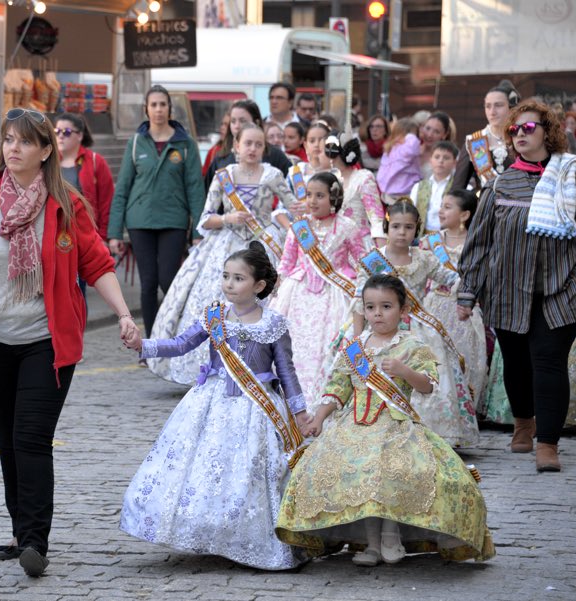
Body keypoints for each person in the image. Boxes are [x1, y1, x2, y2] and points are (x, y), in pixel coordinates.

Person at [0, 107, 139, 577]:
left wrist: (124, 315)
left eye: (24, 142)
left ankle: (34, 542)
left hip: (46, 342)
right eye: (7, 140)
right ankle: (18, 528)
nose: (12, 149)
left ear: (46, 150)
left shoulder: (67, 206)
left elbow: (97, 263)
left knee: (31, 437)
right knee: (8, 439)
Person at [276, 275, 495, 566]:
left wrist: (405, 371)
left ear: (403, 311)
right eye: (370, 307)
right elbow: (338, 387)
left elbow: (428, 386)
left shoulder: (413, 346)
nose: (377, 313)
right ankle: (371, 544)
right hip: (353, 425)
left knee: (390, 471)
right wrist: (319, 418)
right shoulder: (354, 348)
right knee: (358, 475)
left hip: (394, 425)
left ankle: (391, 537)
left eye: (386, 306)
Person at [121, 241, 310, 571]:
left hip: (257, 409)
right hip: (209, 404)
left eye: (238, 278)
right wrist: (144, 345)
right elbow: (181, 345)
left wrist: (300, 412)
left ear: (260, 285)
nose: (229, 284)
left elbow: (287, 372)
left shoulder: (273, 324)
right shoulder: (214, 316)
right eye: (226, 276)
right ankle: (206, 531)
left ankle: (245, 535)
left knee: (250, 471)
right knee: (201, 470)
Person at [457, 100, 576, 472]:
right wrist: (468, 291)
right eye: (515, 130)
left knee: (548, 360)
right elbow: (479, 242)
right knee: (515, 362)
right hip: (508, 289)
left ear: (548, 131)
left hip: (563, 287)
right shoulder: (500, 184)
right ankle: (523, 423)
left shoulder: (573, 175)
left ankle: (548, 443)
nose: (520, 135)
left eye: (528, 129)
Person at [147, 124, 296, 384]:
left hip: (260, 243)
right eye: (247, 143)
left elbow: (292, 207)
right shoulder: (223, 175)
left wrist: (282, 217)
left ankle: (258, 363)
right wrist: (228, 217)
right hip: (224, 244)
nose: (252, 149)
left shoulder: (272, 175)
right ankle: (215, 366)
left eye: (258, 144)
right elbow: (204, 219)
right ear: (236, 145)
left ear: (265, 148)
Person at [351, 202, 479, 447]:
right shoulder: (371, 260)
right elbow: (359, 300)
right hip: (378, 328)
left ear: (416, 230)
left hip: (419, 330)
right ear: (387, 228)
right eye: (396, 226)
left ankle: (433, 435)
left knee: (427, 374)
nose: (402, 232)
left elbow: (451, 278)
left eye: (408, 227)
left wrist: (467, 293)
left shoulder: (423, 258)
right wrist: (357, 337)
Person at [107, 85, 205, 339]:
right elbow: (123, 187)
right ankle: (149, 343)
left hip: (173, 220)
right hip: (140, 221)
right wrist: (115, 232)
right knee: (148, 283)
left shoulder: (185, 144)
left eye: (163, 104)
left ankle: (174, 336)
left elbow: (195, 189)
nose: (159, 109)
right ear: (146, 109)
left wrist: (198, 232)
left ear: (170, 109)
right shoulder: (137, 141)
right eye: (154, 105)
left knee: (168, 280)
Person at [270, 172, 366, 402]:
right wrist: (277, 286)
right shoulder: (299, 227)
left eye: (320, 195)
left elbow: (362, 259)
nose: (312, 201)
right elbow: (286, 262)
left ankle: (329, 397)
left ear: (334, 198)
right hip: (298, 294)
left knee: (328, 346)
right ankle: (291, 396)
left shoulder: (347, 227)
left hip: (336, 293)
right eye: (309, 195)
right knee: (295, 345)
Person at [421, 189, 488, 412]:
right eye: (441, 206)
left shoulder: (477, 241)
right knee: (435, 360)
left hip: (464, 311)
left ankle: (465, 411)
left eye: (448, 207)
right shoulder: (430, 241)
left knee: (466, 359)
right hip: (435, 307)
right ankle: (436, 409)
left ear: (465, 215)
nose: (441, 211)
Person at [53, 112, 115, 303]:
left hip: (82, 238)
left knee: (77, 291)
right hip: (52, 236)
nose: (60, 136)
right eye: (57, 131)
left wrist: (104, 237)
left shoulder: (95, 162)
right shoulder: (48, 162)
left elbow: (106, 202)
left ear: (79, 135)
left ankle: (77, 331)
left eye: (66, 131)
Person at [204, 99, 293, 192]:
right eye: (233, 121)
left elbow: (293, 185)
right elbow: (208, 194)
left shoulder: (274, 155)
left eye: (242, 121)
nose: (237, 126)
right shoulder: (221, 157)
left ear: (256, 122)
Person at [453, 81, 519, 192]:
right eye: (488, 106)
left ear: (511, 107)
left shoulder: (521, 137)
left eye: (498, 105)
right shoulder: (474, 141)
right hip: (487, 206)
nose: (492, 112)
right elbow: (458, 189)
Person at [324, 131, 385, 246]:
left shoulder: (363, 178)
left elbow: (376, 217)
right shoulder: (330, 179)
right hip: (335, 245)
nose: (329, 156)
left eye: (332, 151)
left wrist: (382, 251)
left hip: (360, 243)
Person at [409, 140, 458, 234]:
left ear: (454, 163)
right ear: (430, 160)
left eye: (446, 158)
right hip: (421, 237)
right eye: (437, 157)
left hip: (447, 236)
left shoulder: (459, 187)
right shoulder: (419, 186)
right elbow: (411, 213)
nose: (441, 161)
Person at [376, 118, 422, 202]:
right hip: (406, 193)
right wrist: (411, 136)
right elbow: (411, 147)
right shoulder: (407, 147)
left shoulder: (390, 148)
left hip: (388, 193)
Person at [418, 111, 454, 179]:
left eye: (436, 132)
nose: (429, 135)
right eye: (427, 128)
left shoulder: (449, 156)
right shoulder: (412, 149)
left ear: (444, 135)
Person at [202, 112, 230, 177]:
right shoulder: (213, 151)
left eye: (226, 125)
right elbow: (205, 175)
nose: (222, 128)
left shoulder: (240, 152)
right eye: (222, 124)